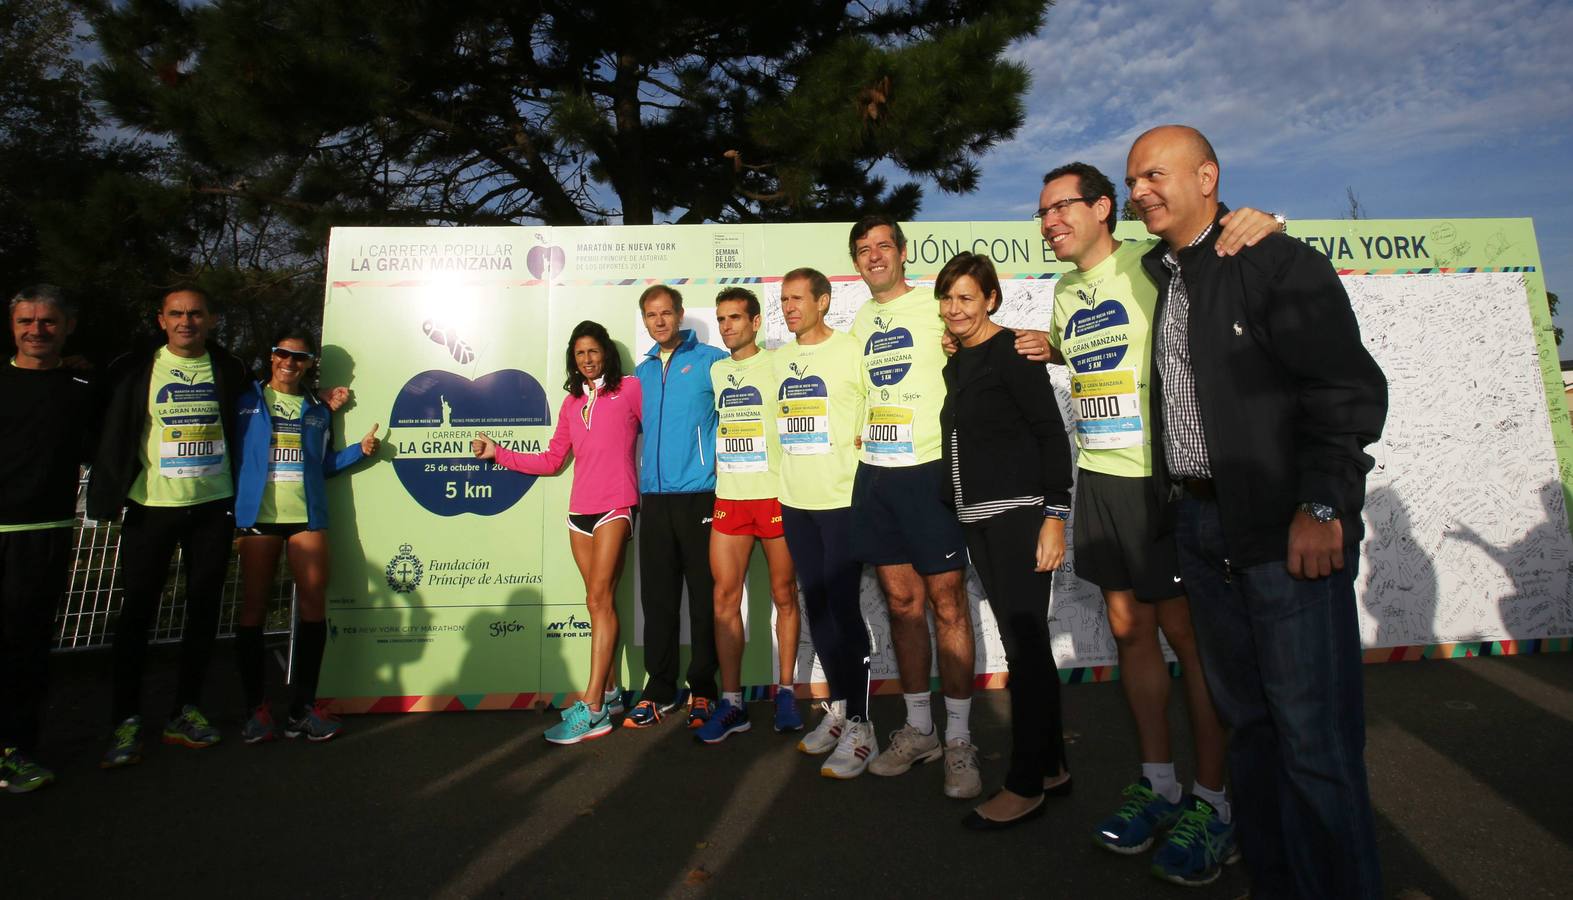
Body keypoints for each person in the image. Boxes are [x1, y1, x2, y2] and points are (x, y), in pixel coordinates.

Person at [1127, 124, 1387, 897]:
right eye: (1132, 178)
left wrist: (1321, 503)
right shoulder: (1167, 276)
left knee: (1314, 744)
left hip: (1286, 533)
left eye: (1154, 174)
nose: (1140, 189)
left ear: (1207, 177)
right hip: (1203, 532)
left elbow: (1342, 393)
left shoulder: (1276, 260)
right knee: (1251, 733)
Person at [1039, 162, 1281, 872]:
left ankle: (1214, 801)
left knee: (1189, 638)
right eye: (1041, 213)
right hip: (1101, 484)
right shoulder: (1061, 291)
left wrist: (1262, 223)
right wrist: (1041, 343)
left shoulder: (1154, 265)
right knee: (1128, 631)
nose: (1049, 221)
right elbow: (1084, 358)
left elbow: (1232, 254)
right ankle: (1159, 785)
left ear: (1102, 208)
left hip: (1162, 484)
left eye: (1060, 208)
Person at [937, 253, 1075, 829]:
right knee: (1027, 641)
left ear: (991, 299)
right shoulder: (959, 361)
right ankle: (1052, 767)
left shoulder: (1014, 355)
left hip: (1020, 518)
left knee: (1025, 647)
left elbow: (1049, 433)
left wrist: (1055, 517)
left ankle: (1023, 786)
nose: (955, 309)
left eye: (967, 298)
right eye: (947, 299)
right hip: (978, 521)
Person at [88, 287, 253, 767]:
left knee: (203, 612)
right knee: (137, 613)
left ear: (213, 319)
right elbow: (104, 425)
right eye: (177, 314)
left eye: (196, 314)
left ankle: (187, 710)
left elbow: (258, 414)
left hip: (213, 507)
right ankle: (125, 719)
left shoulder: (232, 368)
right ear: (160, 319)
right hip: (150, 506)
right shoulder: (131, 367)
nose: (187, 322)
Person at [846, 215, 980, 799]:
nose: (874, 256)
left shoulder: (934, 307)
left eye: (883, 246)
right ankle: (919, 728)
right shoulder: (859, 318)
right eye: (863, 249)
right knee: (902, 604)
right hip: (877, 476)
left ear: (903, 252)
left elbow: (979, 347)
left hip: (929, 474)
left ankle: (959, 740)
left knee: (947, 604)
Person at [474, 321, 642, 744]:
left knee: (599, 597)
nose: (588, 359)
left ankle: (594, 708)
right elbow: (552, 460)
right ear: (574, 358)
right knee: (598, 603)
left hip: (616, 506)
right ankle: (609, 691)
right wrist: (499, 454)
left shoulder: (631, 390)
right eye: (580, 353)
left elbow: (661, 432)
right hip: (579, 513)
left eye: (594, 351)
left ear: (606, 352)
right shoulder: (570, 404)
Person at [231, 329, 382, 744]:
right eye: (283, 354)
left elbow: (325, 464)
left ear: (309, 364)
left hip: (306, 517)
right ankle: (255, 710)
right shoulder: (245, 399)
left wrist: (359, 451)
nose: (289, 363)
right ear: (271, 355)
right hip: (259, 517)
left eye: (299, 358)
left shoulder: (317, 409)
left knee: (315, 605)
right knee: (254, 610)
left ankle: (302, 708)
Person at [768, 268, 877, 777]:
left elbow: (883, 408)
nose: (788, 307)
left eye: (797, 299)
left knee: (843, 608)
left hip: (842, 500)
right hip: (796, 501)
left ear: (823, 300)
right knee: (816, 607)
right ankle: (838, 709)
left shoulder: (853, 350)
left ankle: (861, 725)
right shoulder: (780, 361)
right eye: (784, 300)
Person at [696, 288, 803, 743]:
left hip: (774, 496)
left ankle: (785, 691)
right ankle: (733, 701)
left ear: (756, 322)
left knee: (784, 594)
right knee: (725, 599)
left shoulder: (780, 363)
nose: (726, 327)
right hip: (730, 498)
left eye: (735, 318)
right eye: (721, 319)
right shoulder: (716, 370)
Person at [0, 286, 96, 792]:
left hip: (45, 534)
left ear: (68, 325)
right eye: (26, 321)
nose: (37, 330)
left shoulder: (82, 383)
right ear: (12, 326)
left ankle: (16, 751)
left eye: (49, 322)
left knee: (27, 648)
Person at [625, 286, 728, 729]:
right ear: (645, 320)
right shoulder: (639, 373)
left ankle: (703, 689)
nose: (660, 321)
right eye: (652, 315)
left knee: (704, 598)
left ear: (681, 314)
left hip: (701, 495)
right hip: (655, 498)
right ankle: (659, 689)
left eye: (667, 312)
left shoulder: (711, 361)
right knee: (658, 599)